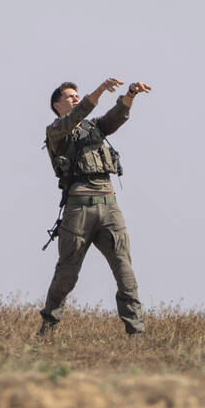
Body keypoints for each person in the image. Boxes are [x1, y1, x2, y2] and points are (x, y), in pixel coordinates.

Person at [40, 78, 151, 338]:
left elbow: (115, 117)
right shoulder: (56, 130)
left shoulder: (94, 127)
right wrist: (99, 90)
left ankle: (137, 335)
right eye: (69, 96)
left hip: (109, 206)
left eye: (77, 94)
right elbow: (77, 115)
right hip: (79, 210)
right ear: (57, 106)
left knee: (125, 273)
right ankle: (47, 330)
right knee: (67, 275)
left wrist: (130, 95)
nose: (75, 98)